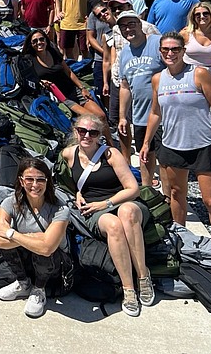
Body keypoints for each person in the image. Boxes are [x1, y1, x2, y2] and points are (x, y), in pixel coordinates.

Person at [141, 32, 211, 240]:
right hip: (173, 145)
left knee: (210, 200)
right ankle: (180, 242)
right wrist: (146, 142)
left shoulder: (199, 74)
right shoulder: (158, 79)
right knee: (175, 194)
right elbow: (155, 112)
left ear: (184, 51)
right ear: (160, 52)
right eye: (166, 49)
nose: (170, 53)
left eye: (175, 49)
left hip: (203, 145)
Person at [62, 114, 154, 317]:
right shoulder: (68, 154)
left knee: (126, 213)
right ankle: (128, 288)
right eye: (82, 131)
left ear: (99, 135)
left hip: (121, 201)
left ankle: (143, 275)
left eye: (93, 132)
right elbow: (62, 182)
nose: (87, 136)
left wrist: (105, 203)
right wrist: (76, 193)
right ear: (76, 132)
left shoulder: (111, 154)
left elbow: (133, 189)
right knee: (113, 225)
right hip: (94, 210)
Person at [0, 158, 69, 318]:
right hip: (29, 257)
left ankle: (39, 289)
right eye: (29, 179)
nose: (35, 185)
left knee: (41, 250)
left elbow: (47, 248)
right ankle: (23, 282)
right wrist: (37, 238)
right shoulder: (10, 203)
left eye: (40, 179)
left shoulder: (60, 209)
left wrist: (12, 233)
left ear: (48, 181)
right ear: (21, 180)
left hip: (55, 263)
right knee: (11, 246)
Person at [21, 29, 109, 135]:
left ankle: (110, 145)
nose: (39, 43)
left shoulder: (53, 53)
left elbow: (69, 72)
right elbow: (29, 79)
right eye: (35, 41)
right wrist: (40, 82)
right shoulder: (29, 60)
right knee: (92, 118)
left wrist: (82, 88)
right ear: (30, 44)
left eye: (41, 39)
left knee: (102, 116)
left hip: (73, 90)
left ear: (46, 40)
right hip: (61, 97)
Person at [117, 11, 165, 188]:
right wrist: (123, 116)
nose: (128, 29)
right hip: (140, 114)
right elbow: (125, 86)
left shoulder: (156, 42)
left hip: (162, 115)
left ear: (139, 24)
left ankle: (169, 198)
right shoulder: (124, 53)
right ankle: (147, 191)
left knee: (165, 162)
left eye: (131, 24)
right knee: (145, 156)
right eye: (123, 26)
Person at [181, 2, 211, 76]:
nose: (202, 16)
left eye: (205, 13)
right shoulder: (185, 34)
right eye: (197, 14)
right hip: (187, 77)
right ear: (193, 17)